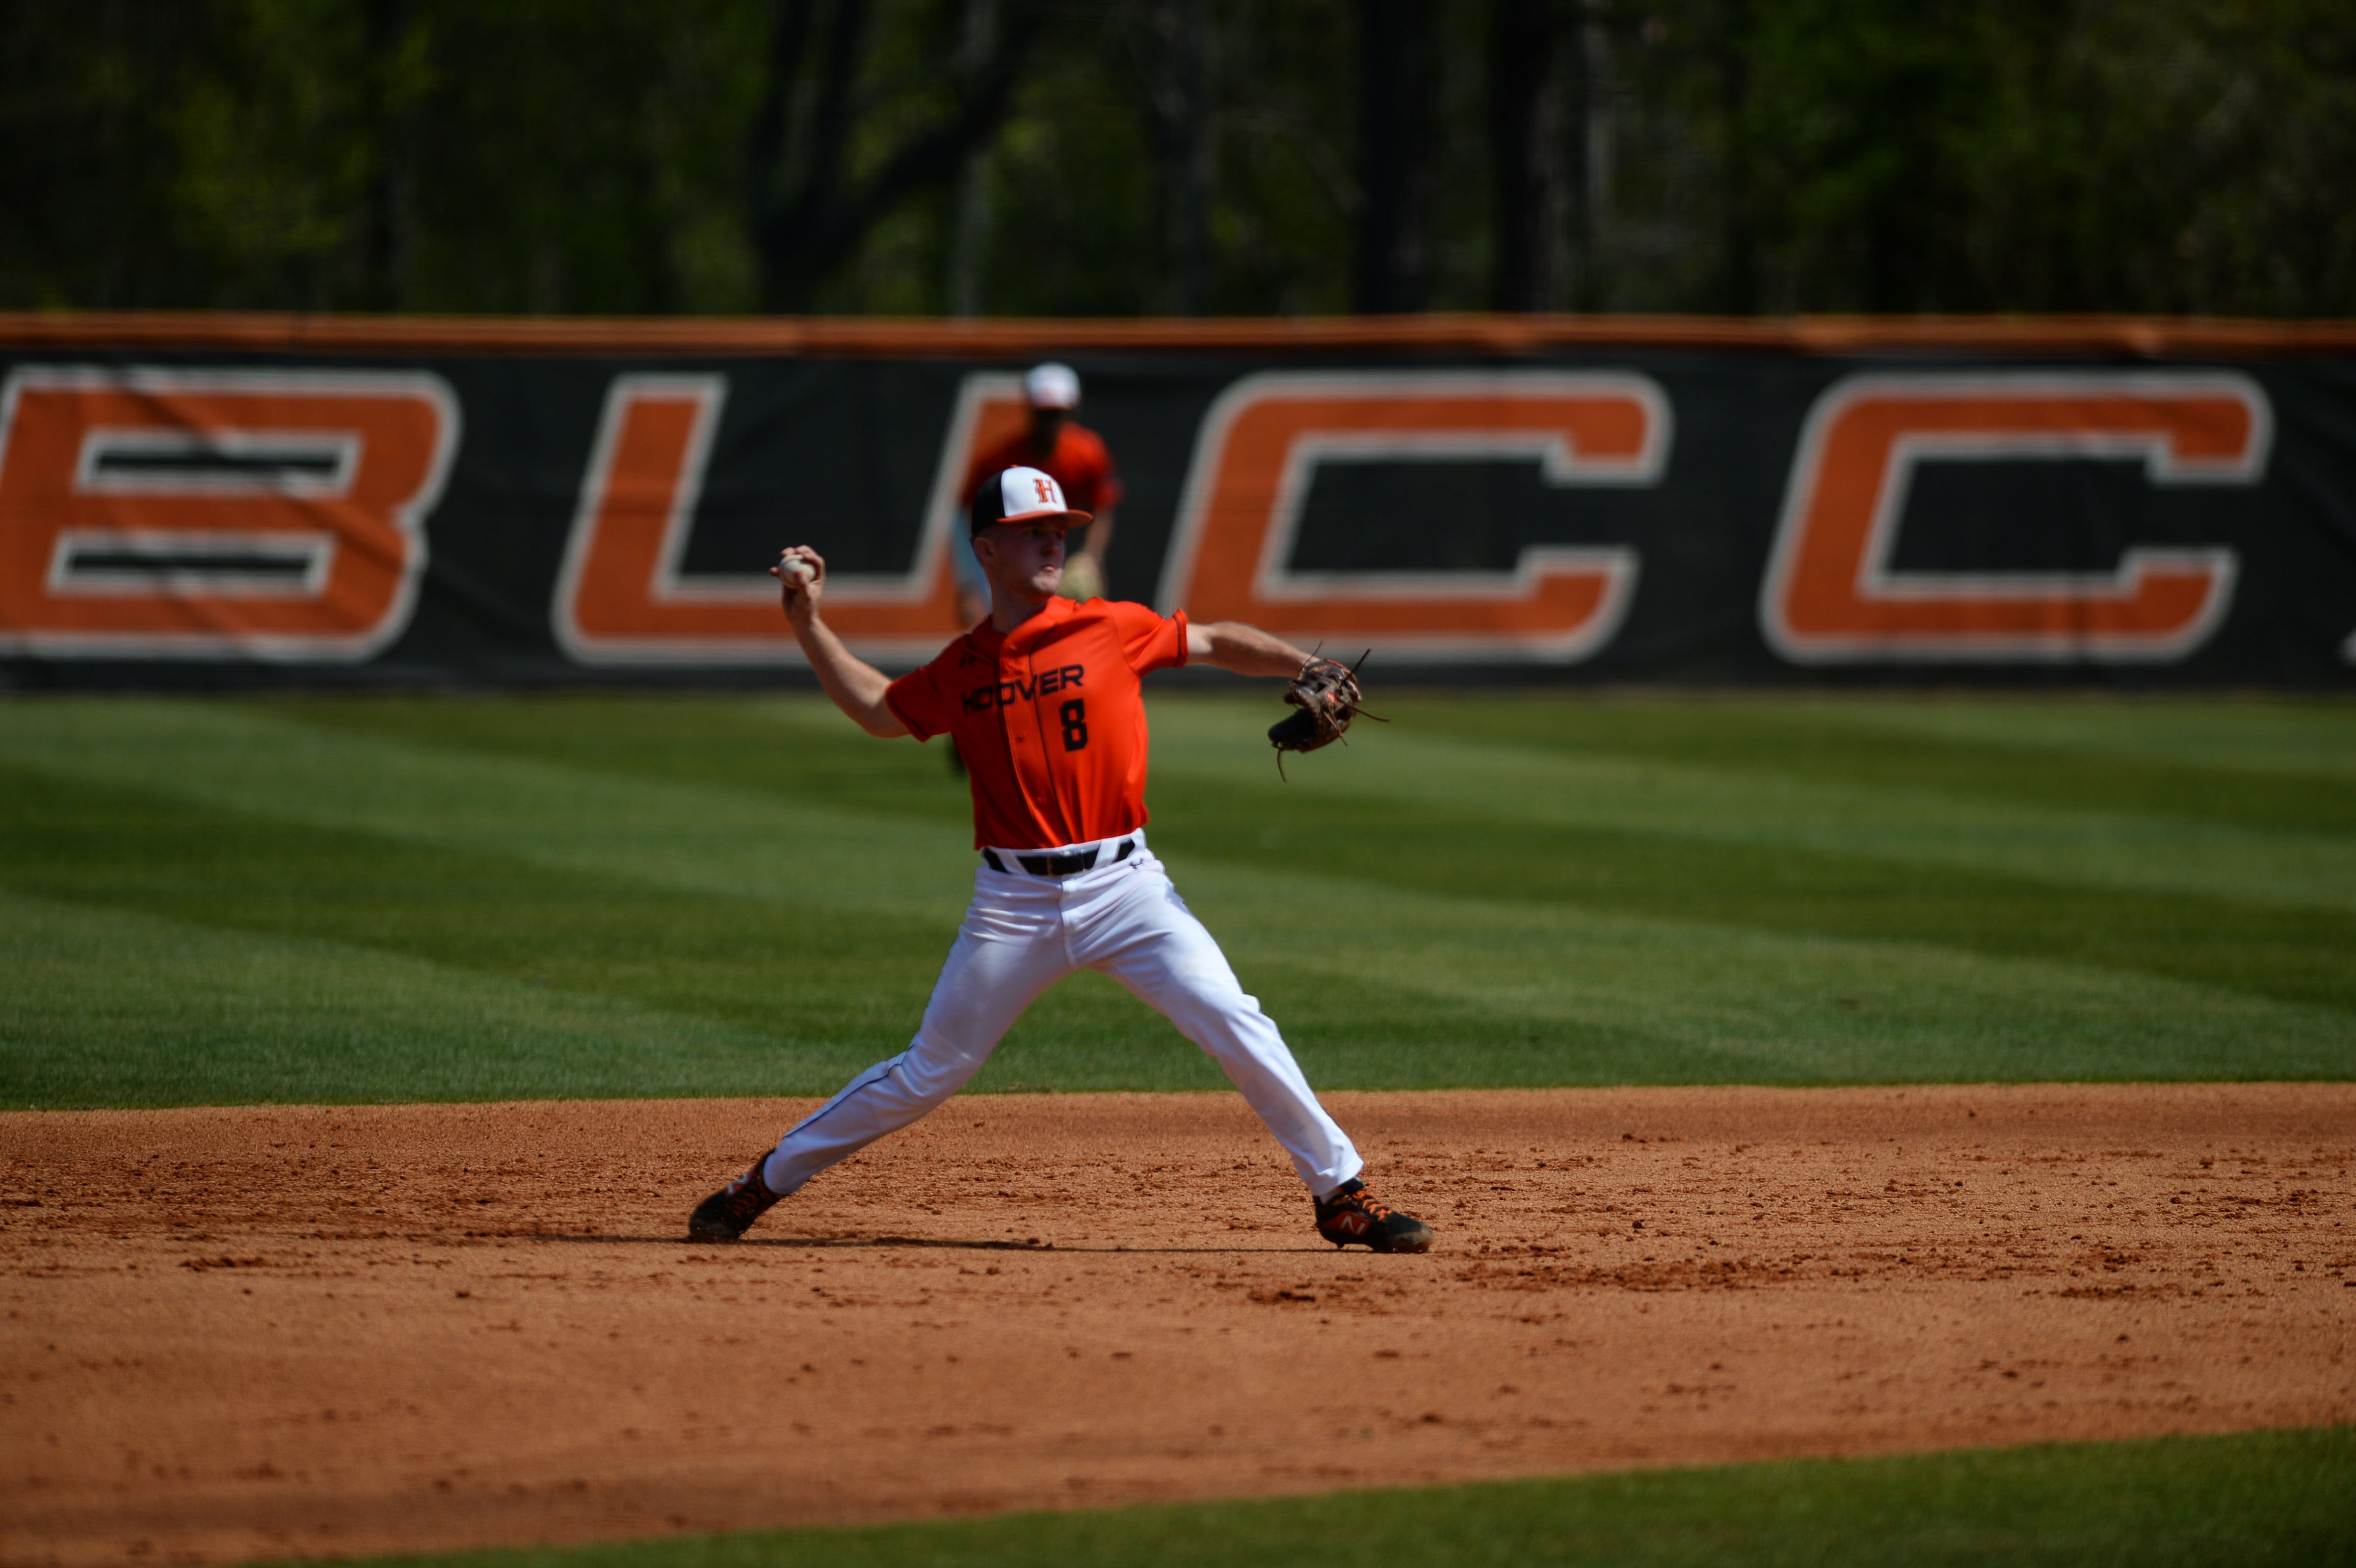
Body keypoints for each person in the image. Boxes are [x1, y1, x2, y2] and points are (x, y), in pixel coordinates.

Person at [687, 465, 1433, 1254]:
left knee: (1232, 1016)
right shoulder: (963, 666)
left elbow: (1210, 638)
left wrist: (1300, 665)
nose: (1053, 539)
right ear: (986, 548)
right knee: (928, 1071)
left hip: (1128, 888)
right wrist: (807, 621)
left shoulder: (1108, 624)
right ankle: (759, 1184)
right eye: (1032, 530)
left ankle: (1340, 1192)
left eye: (1059, 529)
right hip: (1012, 905)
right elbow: (878, 708)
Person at [953, 362, 1122, 626]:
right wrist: (970, 584)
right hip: (1011, 554)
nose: (1050, 422)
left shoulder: (1087, 453)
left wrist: (1091, 556)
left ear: (1072, 412)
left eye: (1057, 413)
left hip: (1060, 549)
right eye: (1044, 413)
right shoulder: (1001, 461)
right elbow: (966, 517)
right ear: (1030, 411)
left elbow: (1103, 505)